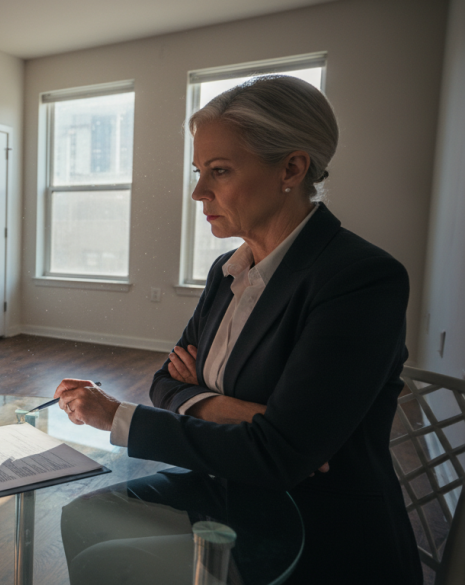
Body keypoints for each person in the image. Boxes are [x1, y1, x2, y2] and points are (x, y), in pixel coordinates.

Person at [54, 76, 421, 584]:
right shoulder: (229, 269)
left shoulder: (360, 279)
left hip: (319, 518)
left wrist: (119, 415)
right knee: (83, 515)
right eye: (199, 171)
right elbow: (167, 381)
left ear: (292, 168)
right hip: (229, 484)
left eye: (219, 171)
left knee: (104, 560)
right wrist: (247, 416)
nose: (198, 192)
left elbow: (281, 458)